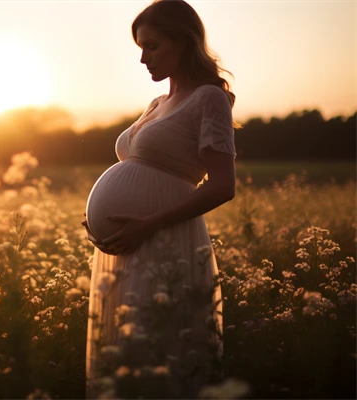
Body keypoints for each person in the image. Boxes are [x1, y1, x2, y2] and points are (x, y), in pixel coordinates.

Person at [82, 0, 238, 398]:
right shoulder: (156, 104)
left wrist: (146, 224)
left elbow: (222, 186)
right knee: (125, 352)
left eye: (152, 46)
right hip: (127, 245)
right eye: (140, 46)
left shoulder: (209, 98)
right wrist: (102, 224)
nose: (142, 58)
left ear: (183, 43)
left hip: (164, 241)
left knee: (159, 346)